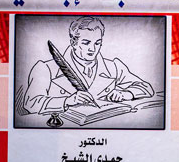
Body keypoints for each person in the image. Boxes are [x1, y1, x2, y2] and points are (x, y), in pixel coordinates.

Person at [23, 16, 154, 115]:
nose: (92, 49)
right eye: (86, 43)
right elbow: (30, 103)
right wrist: (67, 101)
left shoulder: (113, 67)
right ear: (73, 42)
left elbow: (146, 88)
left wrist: (127, 94)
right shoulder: (46, 69)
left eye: (97, 43)